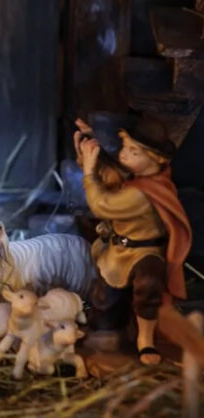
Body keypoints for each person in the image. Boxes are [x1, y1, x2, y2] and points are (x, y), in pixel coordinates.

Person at [75, 117, 192, 365]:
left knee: (147, 289)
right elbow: (117, 171)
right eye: (125, 147)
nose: (124, 154)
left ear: (156, 159)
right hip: (118, 253)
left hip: (145, 254)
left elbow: (102, 205)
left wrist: (89, 172)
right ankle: (107, 333)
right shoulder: (142, 178)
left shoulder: (142, 194)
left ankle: (145, 340)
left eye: (133, 151)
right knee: (104, 299)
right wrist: (92, 142)